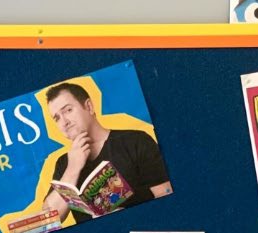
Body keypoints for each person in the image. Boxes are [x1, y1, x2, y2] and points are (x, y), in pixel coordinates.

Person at [41, 82, 171, 223]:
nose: (64, 122)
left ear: (89, 107)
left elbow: (167, 190)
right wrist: (72, 169)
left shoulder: (135, 141)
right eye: (57, 118)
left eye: (68, 110)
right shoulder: (63, 163)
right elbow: (49, 221)